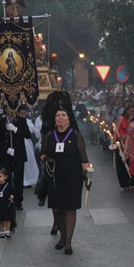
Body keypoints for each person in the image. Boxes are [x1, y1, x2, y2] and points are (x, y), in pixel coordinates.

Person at [40, 101, 91, 255]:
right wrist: (47, 158)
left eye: (63, 115)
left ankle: (68, 242)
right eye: (58, 116)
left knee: (70, 209)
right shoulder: (50, 135)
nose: (60, 118)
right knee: (58, 208)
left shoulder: (75, 135)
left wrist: (88, 175)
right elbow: (42, 154)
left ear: (69, 119)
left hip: (72, 176)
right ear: (54, 119)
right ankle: (62, 238)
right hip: (55, 176)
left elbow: (84, 158)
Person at [0, 106, 31, 210]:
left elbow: (27, 134)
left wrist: (15, 129)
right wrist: (5, 149)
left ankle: (18, 201)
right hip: (6, 154)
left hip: (18, 154)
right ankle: (7, 199)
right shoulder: (1, 122)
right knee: (6, 178)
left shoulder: (21, 121)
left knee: (18, 179)